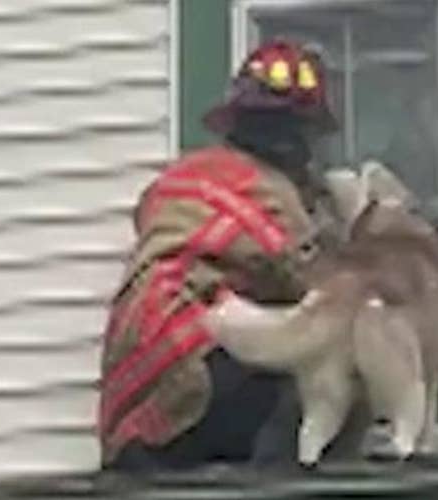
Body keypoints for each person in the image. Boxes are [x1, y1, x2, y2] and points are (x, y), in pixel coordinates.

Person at [98, 39, 340, 472]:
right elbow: (309, 278)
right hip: (196, 368)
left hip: (137, 402)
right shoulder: (261, 188)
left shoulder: (189, 177)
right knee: (313, 372)